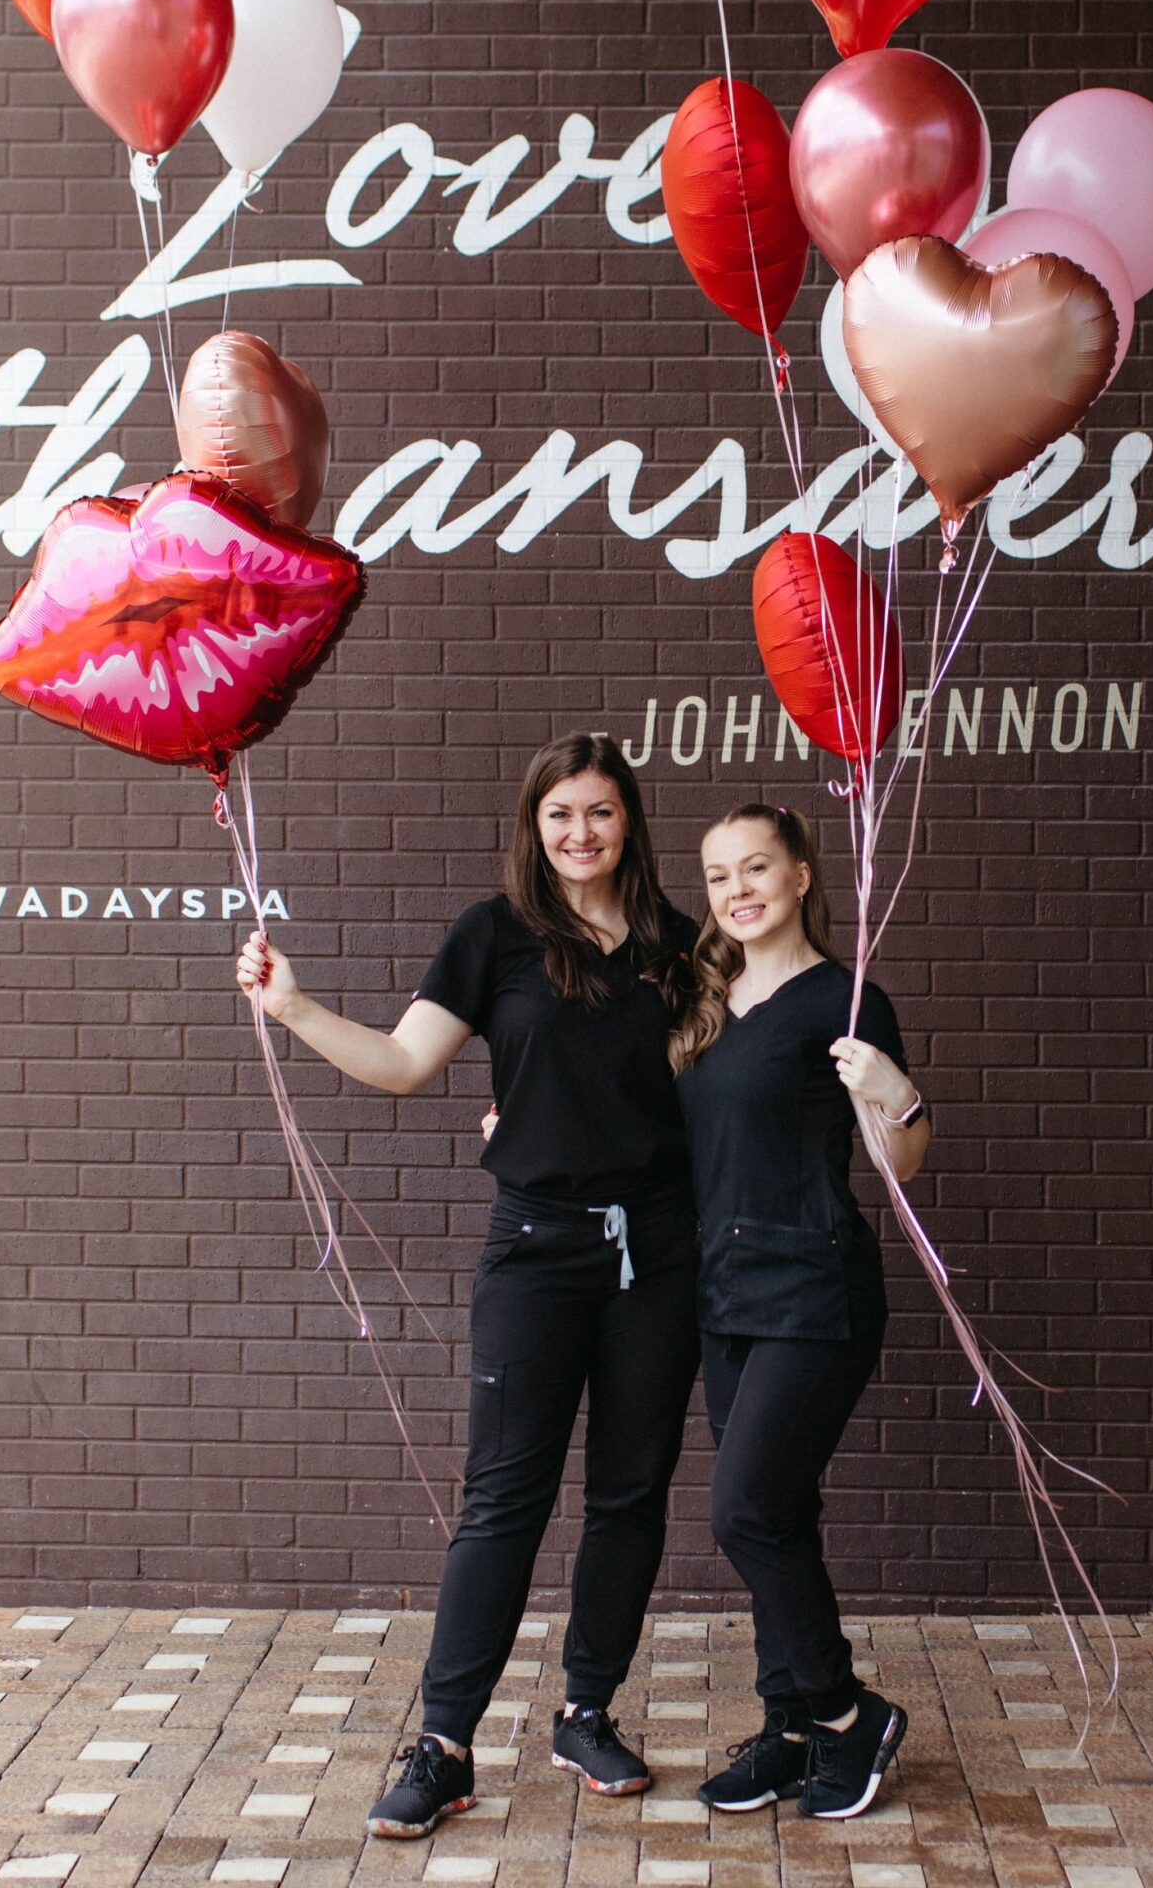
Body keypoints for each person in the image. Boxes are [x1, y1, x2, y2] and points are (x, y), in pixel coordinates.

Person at [235, 732, 701, 1840]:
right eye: (558, 815)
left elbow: (700, 1092)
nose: (579, 832)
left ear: (627, 820)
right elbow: (403, 1063)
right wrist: (293, 1006)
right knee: (504, 1496)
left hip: (658, 1252)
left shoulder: (679, 946)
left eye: (598, 811)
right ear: (532, 828)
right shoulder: (491, 936)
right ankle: (444, 1744)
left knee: (631, 1493)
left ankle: (585, 1709)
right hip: (535, 1251)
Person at [670, 803, 932, 1821]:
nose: (737, 889)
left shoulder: (847, 998)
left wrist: (897, 1093)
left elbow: (895, 1164)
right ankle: (786, 1727)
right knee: (778, 1512)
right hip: (723, 1295)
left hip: (814, 1293)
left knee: (741, 1507)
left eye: (755, 868)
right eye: (719, 873)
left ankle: (843, 1712)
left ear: (799, 873)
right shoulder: (701, 998)